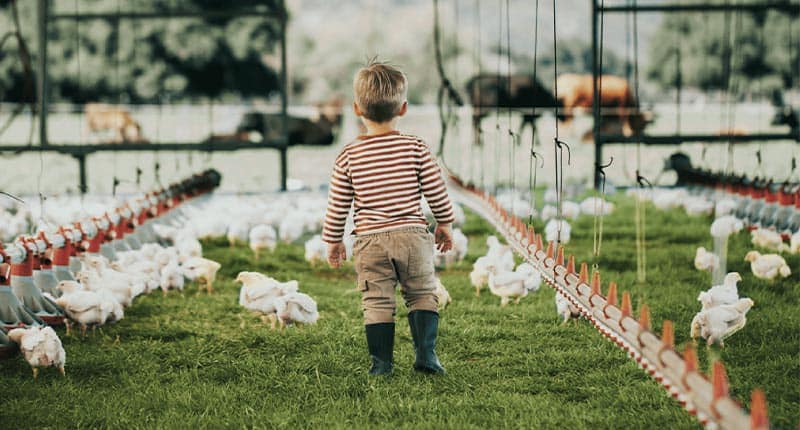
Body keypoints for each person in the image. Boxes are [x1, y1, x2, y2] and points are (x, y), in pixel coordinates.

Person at [322, 59, 455, 376]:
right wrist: (445, 224)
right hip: (412, 235)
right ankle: (427, 357)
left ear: (356, 109)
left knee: (377, 301)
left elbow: (337, 204)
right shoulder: (416, 147)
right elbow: (437, 191)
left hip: (370, 241)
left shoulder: (348, 155)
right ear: (403, 108)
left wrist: (333, 240)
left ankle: (381, 364)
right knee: (422, 293)